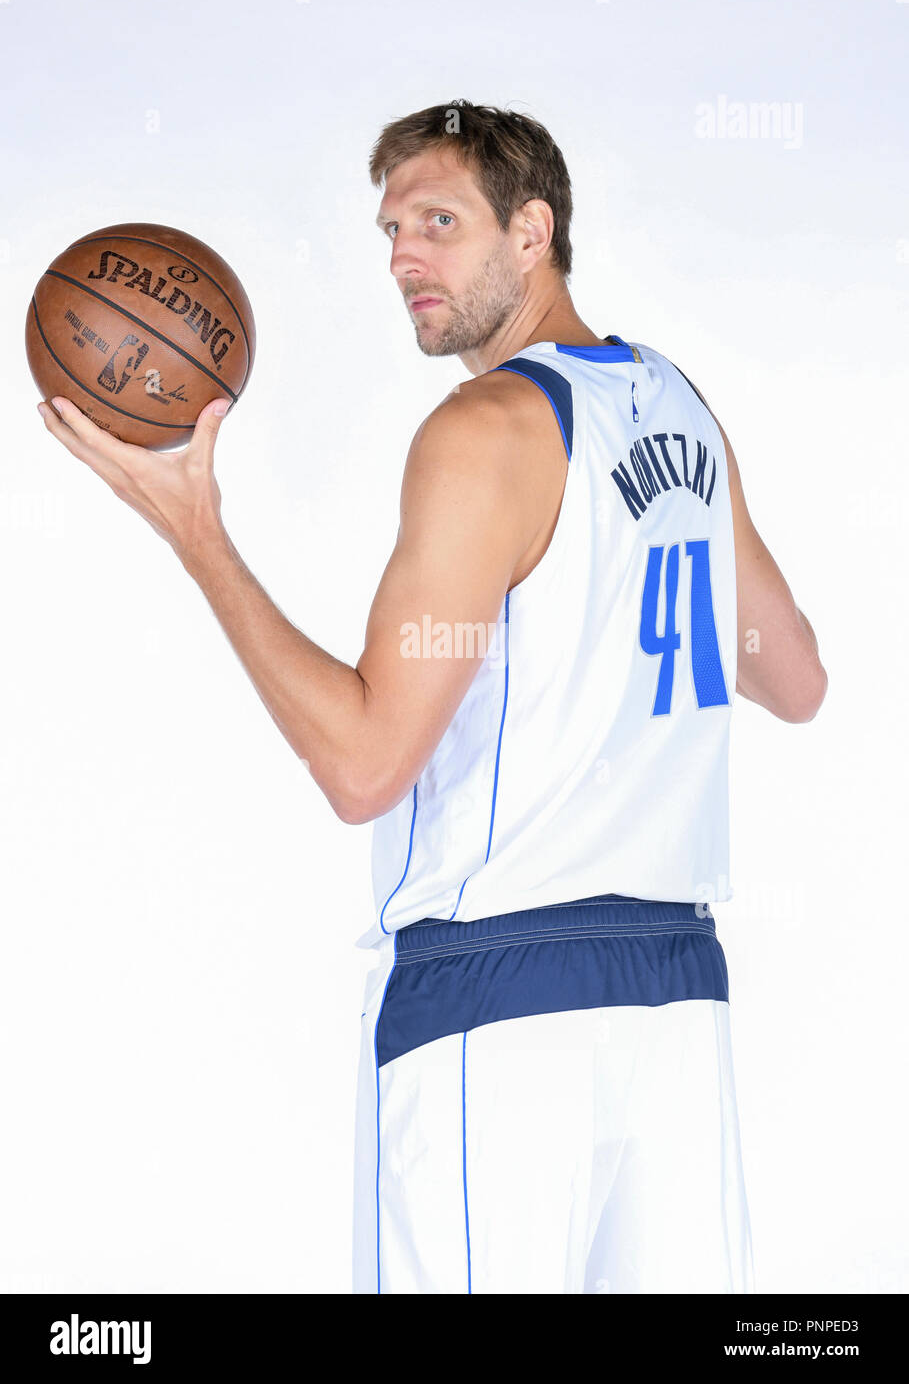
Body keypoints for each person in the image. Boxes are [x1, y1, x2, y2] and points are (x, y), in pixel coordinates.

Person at [38, 100, 827, 1295]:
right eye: (392, 229)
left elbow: (363, 767)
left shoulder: (483, 429)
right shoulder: (676, 405)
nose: (404, 256)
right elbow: (795, 675)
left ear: (533, 231)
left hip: (501, 1006)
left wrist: (198, 533)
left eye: (439, 222)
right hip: (677, 1003)